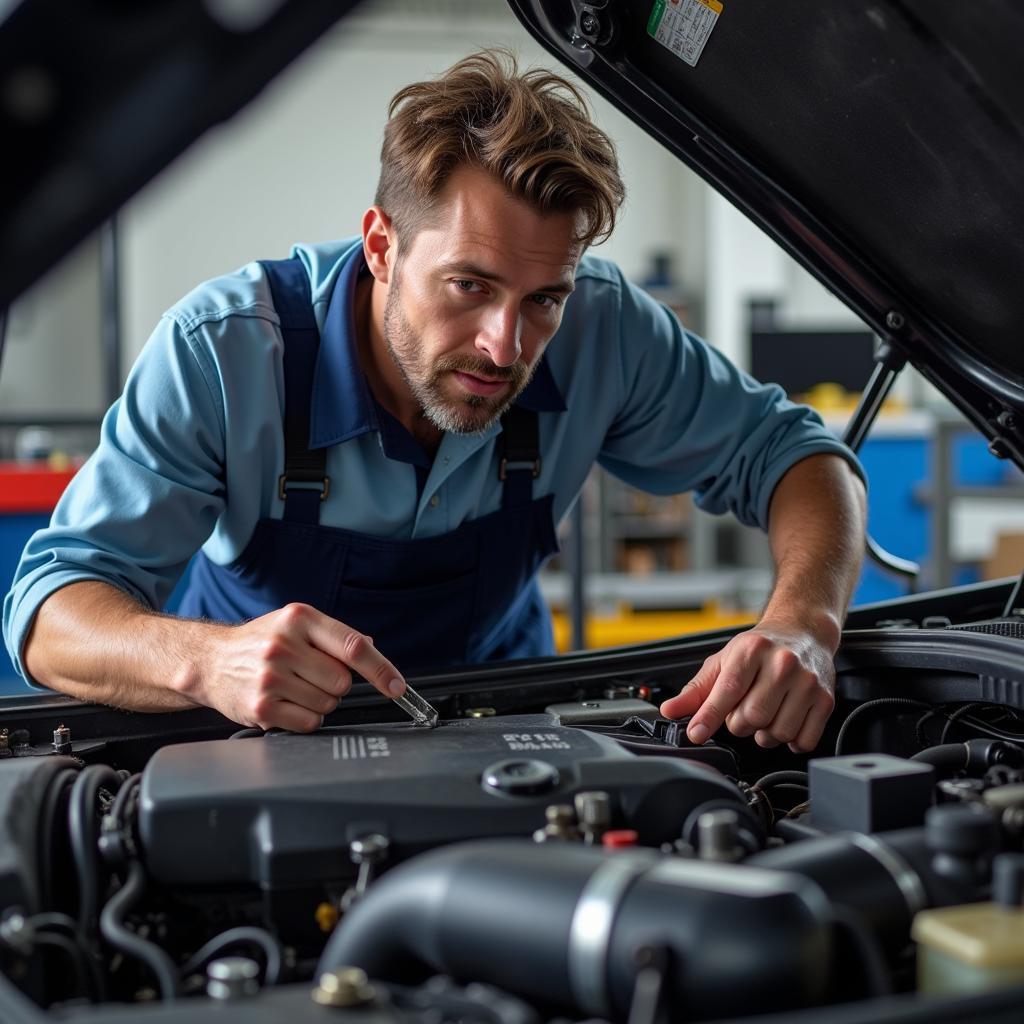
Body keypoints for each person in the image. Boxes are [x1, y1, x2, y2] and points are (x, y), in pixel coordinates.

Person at [3, 50, 865, 751]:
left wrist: (804, 622)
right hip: (256, 740)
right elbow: (50, 611)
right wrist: (208, 661)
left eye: (543, 300)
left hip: (507, 727)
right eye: (468, 285)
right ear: (382, 245)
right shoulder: (224, 354)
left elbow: (797, 456)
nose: (505, 344)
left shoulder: (606, 327)